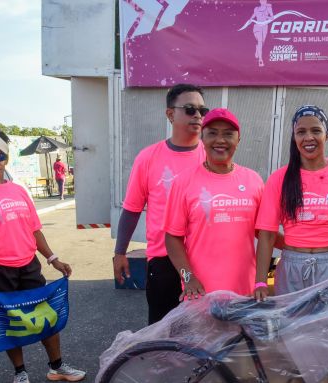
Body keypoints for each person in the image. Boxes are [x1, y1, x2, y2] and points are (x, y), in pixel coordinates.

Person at [0, 126, 86, 383]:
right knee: (10, 321)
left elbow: (34, 229)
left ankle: (56, 366)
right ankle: (20, 373)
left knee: (45, 316)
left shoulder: (19, 191)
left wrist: (53, 258)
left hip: (28, 264)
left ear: (6, 157)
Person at [254, 105, 328, 299]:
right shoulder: (279, 178)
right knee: (292, 327)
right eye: (301, 132)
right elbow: (267, 235)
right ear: (294, 137)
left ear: (326, 134)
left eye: (316, 130)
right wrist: (261, 282)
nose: (308, 137)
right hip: (291, 269)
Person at [113, 84, 207, 324]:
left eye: (201, 110)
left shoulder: (211, 156)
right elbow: (132, 208)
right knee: (163, 331)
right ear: (170, 114)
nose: (197, 115)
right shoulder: (149, 157)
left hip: (204, 259)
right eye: (189, 109)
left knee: (204, 330)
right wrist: (120, 252)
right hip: (164, 262)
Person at [163, 109, 264, 300]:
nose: (220, 140)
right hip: (200, 293)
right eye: (212, 133)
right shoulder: (183, 182)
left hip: (245, 293)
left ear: (238, 140)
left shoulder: (254, 180)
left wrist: (299, 245)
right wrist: (188, 277)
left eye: (228, 134)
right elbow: (172, 238)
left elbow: (264, 233)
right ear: (202, 138)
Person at [251, 0, 274, 67]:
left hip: (264, 26)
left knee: (262, 42)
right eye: (262, 0)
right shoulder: (256, 8)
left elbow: (272, 18)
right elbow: (254, 15)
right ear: (260, 1)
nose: (263, 1)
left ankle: (257, 49)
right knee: (260, 42)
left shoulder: (268, 8)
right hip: (257, 26)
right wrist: (250, 20)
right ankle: (260, 60)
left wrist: (265, 16)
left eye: (264, 0)